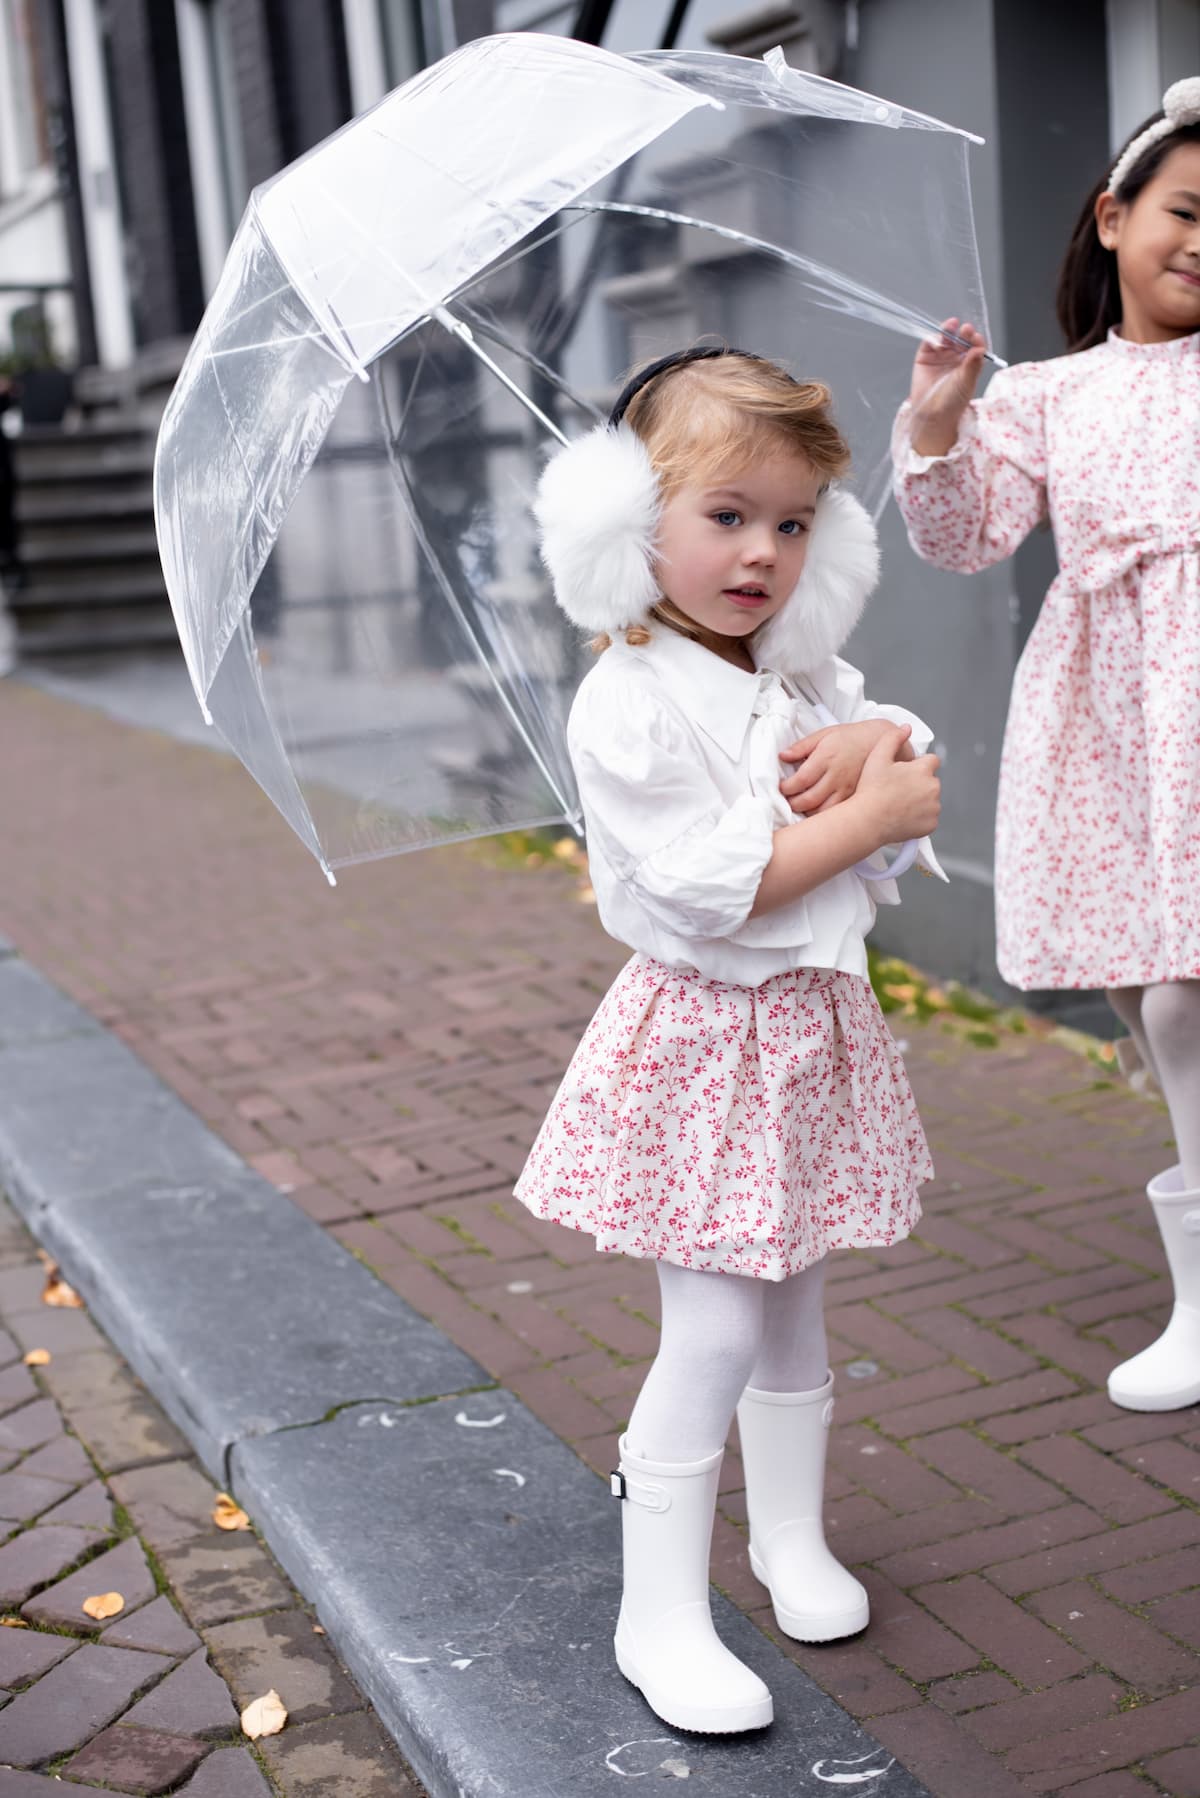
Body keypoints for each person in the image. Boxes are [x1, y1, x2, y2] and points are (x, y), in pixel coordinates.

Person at [514, 347, 943, 1734]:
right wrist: (861, 818)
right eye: (726, 515)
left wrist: (877, 743)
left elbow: (900, 749)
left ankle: (789, 1539)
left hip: (809, 1035)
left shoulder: (794, 667)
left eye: (794, 518)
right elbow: (709, 884)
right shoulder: (629, 695)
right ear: (631, 523)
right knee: (707, 1323)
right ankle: (659, 1610)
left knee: (796, 1285)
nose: (762, 551)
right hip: (703, 1046)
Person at [892, 80, 1200, 1416]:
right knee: (1158, 993)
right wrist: (940, 420)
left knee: (1190, 998)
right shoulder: (1053, 395)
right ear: (1116, 214)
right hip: (1116, 717)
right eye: (1187, 212)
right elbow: (963, 536)